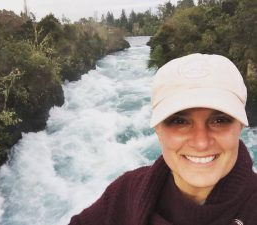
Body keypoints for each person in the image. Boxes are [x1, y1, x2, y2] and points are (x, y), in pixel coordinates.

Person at [69, 53, 257, 225]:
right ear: (157, 129)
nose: (201, 143)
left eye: (220, 120)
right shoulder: (126, 192)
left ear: (240, 125)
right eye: (179, 121)